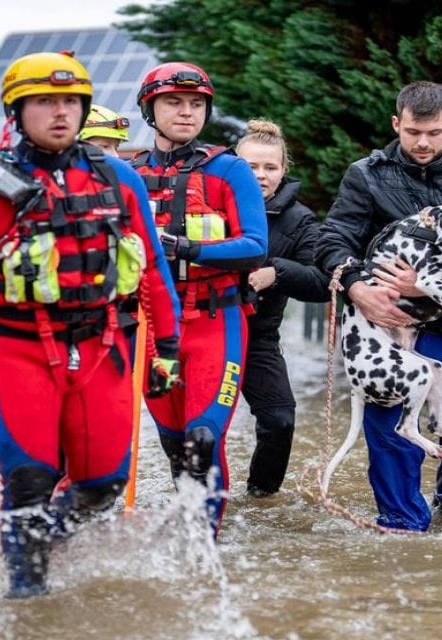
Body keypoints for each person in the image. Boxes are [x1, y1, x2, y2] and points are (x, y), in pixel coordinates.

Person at [0, 51, 181, 598]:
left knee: (102, 487)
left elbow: (152, 267)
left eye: (69, 102)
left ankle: (38, 540)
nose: (59, 113)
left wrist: (167, 346)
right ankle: (27, 599)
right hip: (17, 348)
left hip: (103, 346)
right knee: (29, 480)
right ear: (17, 111)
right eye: (43, 102)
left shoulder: (117, 177)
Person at [314, 80, 442, 532]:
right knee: (389, 428)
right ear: (396, 124)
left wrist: (428, 287)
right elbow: (332, 240)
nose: (422, 143)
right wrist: (355, 286)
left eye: (433, 133)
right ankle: (402, 525)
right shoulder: (365, 174)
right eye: (412, 132)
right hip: (380, 322)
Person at [131, 61, 268, 536]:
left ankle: (207, 546)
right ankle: (189, 533)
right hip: (151, 326)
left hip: (216, 320)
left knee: (203, 440)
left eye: (196, 104)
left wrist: (186, 248)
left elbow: (255, 246)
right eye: (173, 102)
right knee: (175, 446)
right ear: (150, 110)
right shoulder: (128, 175)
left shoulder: (230, 170)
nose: (186, 112)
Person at [233, 119, 330, 497]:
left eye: (270, 167)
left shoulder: (299, 220)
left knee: (279, 420)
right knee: (200, 427)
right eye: (250, 167)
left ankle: (261, 496)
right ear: (234, 166)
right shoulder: (210, 204)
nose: (260, 176)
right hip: (208, 327)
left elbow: (321, 281)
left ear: (283, 170)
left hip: (259, 336)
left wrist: (277, 273)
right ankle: (198, 499)